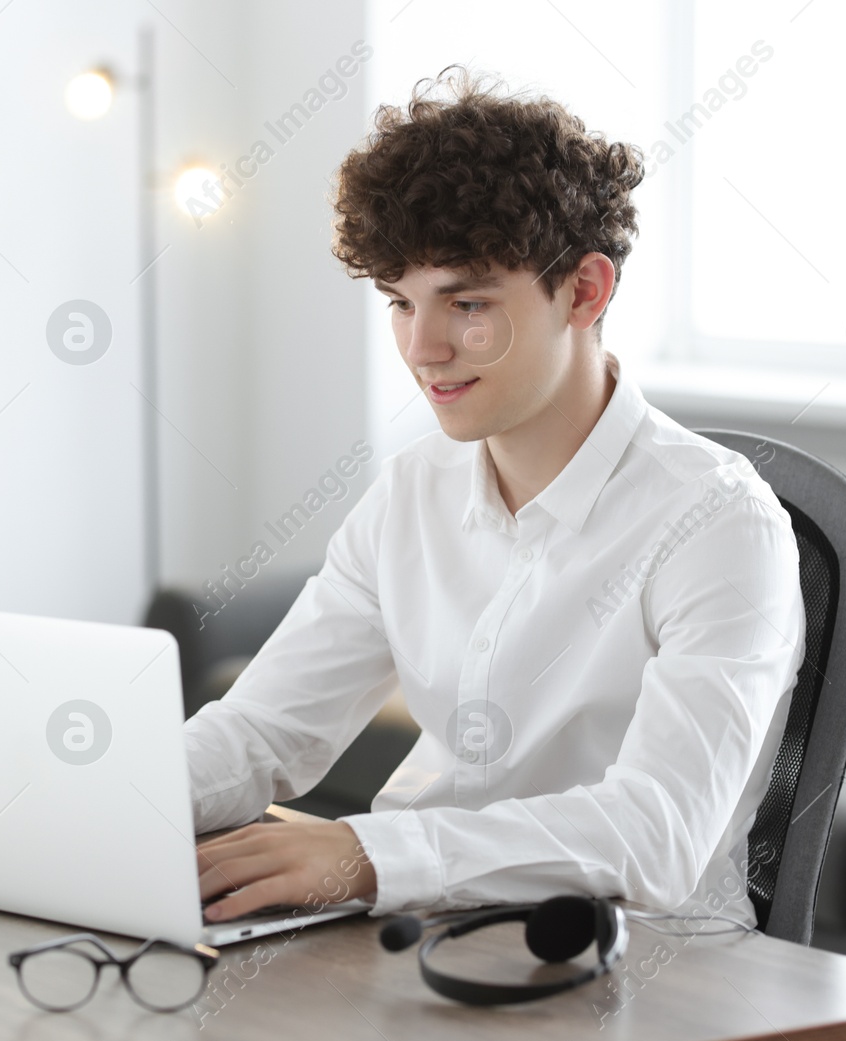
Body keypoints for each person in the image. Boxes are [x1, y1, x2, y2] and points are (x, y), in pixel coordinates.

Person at [187, 67, 804, 931]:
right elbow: (264, 734)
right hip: (414, 937)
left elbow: (656, 833)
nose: (423, 347)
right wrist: (103, 797)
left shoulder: (719, 522)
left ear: (585, 291)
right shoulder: (411, 493)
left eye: (466, 303)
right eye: (400, 303)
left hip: (643, 973)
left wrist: (369, 855)